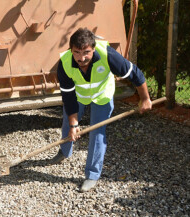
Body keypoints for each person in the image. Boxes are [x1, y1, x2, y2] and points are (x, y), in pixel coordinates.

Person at [52, 28, 152, 192]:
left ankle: (92, 175)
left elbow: (136, 75)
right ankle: (64, 151)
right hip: (79, 96)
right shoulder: (64, 64)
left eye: (86, 52)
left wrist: (146, 99)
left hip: (102, 96)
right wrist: (73, 125)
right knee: (67, 124)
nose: (82, 58)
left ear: (93, 48)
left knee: (97, 133)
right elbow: (68, 98)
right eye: (77, 52)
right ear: (71, 50)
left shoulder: (108, 55)